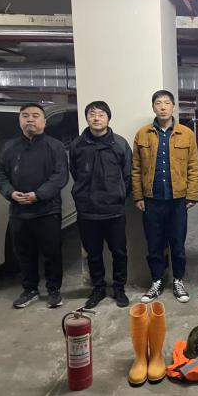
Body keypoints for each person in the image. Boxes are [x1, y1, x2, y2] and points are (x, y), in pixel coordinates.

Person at [0, 103, 68, 309]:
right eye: (25, 116)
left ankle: (54, 290)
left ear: (44, 121)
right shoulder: (9, 147)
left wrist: (38, 195)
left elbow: (60, 175)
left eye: (35, 116)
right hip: (19, 211)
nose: (30, 119)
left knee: (52, 253)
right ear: (20, 121)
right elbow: (0, 175)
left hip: (47, 210)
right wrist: (11, 193)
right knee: (24, 254)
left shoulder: (55, 146)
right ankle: (30, 289)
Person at [132, 90, 198, 303]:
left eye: (167, 103)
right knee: (154, 245)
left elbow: (193, 166)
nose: (163, 107)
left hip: (177, 201)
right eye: (158, 103)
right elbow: (136, 168)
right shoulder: (142, 134)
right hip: (151, 200)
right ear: (153, 107)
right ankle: (157, 281)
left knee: (177, 244)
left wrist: (192, 195)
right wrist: (138, 196)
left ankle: (178, 280)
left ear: (173, 107)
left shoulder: (186, 134)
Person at [70, 101, 132, 309]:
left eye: (101, 114)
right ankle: (98, 288)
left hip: (114, 210)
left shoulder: (120, 144)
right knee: (93, 253)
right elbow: (75, 172)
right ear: (86, 117)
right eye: (92, 114)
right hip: (87, 211)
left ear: (108, 118)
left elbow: (128, 175)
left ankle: (119, 287)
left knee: (119, 252)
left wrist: (118, 194)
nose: (96, 118)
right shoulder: (77, 145)